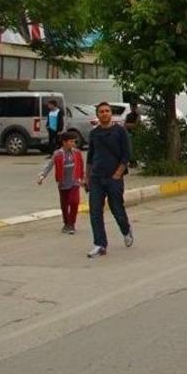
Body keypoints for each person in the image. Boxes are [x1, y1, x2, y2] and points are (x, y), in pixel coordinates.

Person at [85, 101, 133, 258]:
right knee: (95, 211)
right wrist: (87, 177)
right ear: (97, 115)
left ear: (111, 113)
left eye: (107, 111)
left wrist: (118, 173)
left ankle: (126, 230)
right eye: (101, 111)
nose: (104, 113)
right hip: (96, 178)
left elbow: (126, 154)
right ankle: (100, 244)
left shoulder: (120, 131)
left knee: (116, 208)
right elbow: (90, 157)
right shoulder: (94, 133)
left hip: (114, 178)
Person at [37, 131, 85, 234]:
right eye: (71, 142)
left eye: (74, 142)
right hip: (63, 183)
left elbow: (81, 166)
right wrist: (42, 175)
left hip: (74, 181)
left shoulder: (77, 153)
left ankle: (71, 224)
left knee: (74, 201)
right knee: (64, 205)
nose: (73, 144)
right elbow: (50, 165)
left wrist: (82, 179)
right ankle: (66, 223)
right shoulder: (58, 154)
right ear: (64, 142)